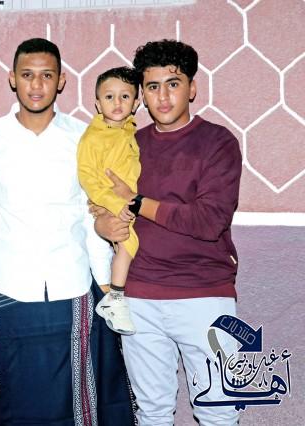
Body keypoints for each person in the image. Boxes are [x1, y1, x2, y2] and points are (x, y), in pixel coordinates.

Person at [0, 38, 126, 425]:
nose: (36, 85)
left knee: (75, 397)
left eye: (46, 76)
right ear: (12, 79)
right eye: (27, 75)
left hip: (70, 283)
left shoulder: (82, 137)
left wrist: (106, 286)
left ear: (61, 81)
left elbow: (89, 215)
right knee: (14, 396)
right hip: (7, 284)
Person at [95, 40, 242, 425]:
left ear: (192, 88)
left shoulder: (218, 143)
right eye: (153, 86)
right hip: (139, 297)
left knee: (219, 412)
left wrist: (137, 202)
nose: (163, 96)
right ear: (142, 95)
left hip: (205, 296)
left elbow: (208, 221)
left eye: (173, 84)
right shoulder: (129, 145)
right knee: (152, 413)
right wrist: (102, 223)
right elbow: (102, 205)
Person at [77, 66, 141, 335]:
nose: (117, 103)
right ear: (97, 103)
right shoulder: (92, 137)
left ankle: (116, 296)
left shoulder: (131, 134)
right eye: (109, 97)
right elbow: (88, 177)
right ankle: (114, 298)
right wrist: (113, 205)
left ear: (135, 103)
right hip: (110, 205)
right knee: (128, 242)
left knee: (129, 246)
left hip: (131, 204)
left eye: (125, 96)